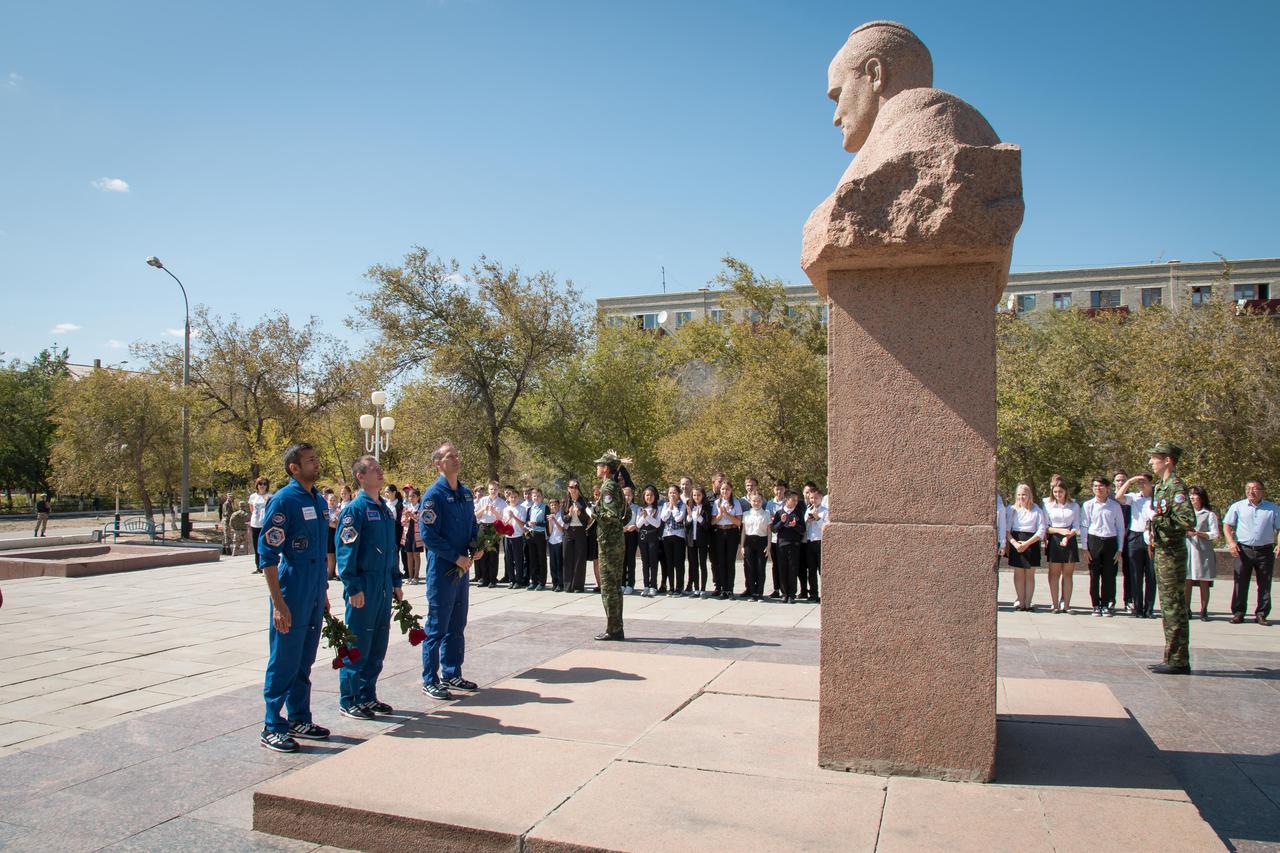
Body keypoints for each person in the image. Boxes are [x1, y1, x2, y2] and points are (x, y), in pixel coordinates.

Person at [257, 443, 331, 753]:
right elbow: (268, 554)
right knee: (284, 659)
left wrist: (323, 593)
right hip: (291, 591)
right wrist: (278, 603)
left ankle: (299, 717)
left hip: (313, 592)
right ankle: (272, 724)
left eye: (316, 458)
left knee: (304, 659)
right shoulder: (284, 501)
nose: (316, 464)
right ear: (294, 468)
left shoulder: (317, 500)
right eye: (310, 461)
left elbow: (317, 550)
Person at [335, 454, 403, 720]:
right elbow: (345, 551)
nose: (380, 472)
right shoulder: (355, 510)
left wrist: (396, 581)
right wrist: (352, 586)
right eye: (373, 469)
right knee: (358, 640)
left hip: (384, 583)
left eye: (380, 468)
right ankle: (349, 698)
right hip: (364, 582)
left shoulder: (384, 509)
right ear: (360, 477)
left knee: (378, 642)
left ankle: (367, 695)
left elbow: (391, 549)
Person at [419, 441, 482, 700]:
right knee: (437, 625)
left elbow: (472, 524)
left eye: (457, 454)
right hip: (444, 567)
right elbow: (428, 535)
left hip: (462, 567)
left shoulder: (465, 493)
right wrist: (455, 556)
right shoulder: (433, 495)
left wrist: (477, 546)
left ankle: (452, 671)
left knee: (458, 622)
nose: (456, 458)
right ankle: (430, 679)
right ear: (438, 464)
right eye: (449, 456)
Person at [1145, 442, 1197, 674]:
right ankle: (1172, 656)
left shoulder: (1175, 487)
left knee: (1174, 606)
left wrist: (1156, 518)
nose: (1151, 461)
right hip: (1162, 550)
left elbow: (1188, 521)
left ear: (1168, 460)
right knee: (1167, 606)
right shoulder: (1161, 487)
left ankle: (1178, 660)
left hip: (1172, 553)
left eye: (1155, 457)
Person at [1222, 479, 1279, 626]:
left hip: (1265, 550)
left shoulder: (1272, 508)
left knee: (1264, 584)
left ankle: (1261, 614)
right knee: (1240, 582)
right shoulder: (1238, 506)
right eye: (1248, 488)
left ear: (1262, 491)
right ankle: (1238, 613)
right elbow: (1227, 525)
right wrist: (1231, 542)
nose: (1251, 491)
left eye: (1255, 488)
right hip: (1243, 550)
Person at [592, 452, 628, 640]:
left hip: (609, 544)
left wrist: (595, 513)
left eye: (600, 465)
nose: (597, 467)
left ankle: (613, 629)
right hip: (615, 541)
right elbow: (626, 514)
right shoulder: (616, 487)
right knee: (614, 586)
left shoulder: (608, 488)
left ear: (606, 468)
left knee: (608, 587)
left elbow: (613, 515)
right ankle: (616, 627)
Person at [1080, 477, 1125, 618]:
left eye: (1100, 486)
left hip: (1110, 541)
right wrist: (1085, 548)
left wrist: (1120, 549)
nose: (1097, 489)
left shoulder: (1115, 506)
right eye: (1095, 486)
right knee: (1094, 575)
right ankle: (1095, 605)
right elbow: (1084, 526)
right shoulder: (1088, 505)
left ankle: (1106, 604)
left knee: (1109, 575)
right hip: (1094, 541)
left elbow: (1120, 528)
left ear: (1107, 488)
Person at [1116, 474, 1157, 618]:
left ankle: (1149, 608)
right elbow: (1118, 497)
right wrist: (1129, 481)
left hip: (1152, 537)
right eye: (1139, 482)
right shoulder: (1134, 497)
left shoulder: (1157, 497)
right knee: (1135, 574)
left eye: (1144, 482)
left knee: (1151, 575)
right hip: (1136, 536)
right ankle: (1137, 607)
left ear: (1151, 483)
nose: (1141, 485)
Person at [1006, 483, 1046, 611]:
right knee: (1018, 573)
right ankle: (1020, 601)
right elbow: (1007, 530)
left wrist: (1027, 543)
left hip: (1031, 542)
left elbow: (1041, 530)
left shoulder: (1037, 510)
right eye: (1018, 495)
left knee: (1029, 574)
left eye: (1024, 494)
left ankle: (1028, 602)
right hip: (1016, 541)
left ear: (1029, 495)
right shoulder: (1012, 510)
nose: (1021, 497)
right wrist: (1015, 543)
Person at [1043, 482, 1081, 614]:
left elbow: (1077, 525)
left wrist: (1070, 533)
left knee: (1068, 574)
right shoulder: (1048, 506)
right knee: (1054, 574)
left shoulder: (1074, 506)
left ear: (1065, 492)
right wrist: (1060, 531)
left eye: (1060, 492)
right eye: (1055, 492)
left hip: (1069, 539)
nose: (1058, 494)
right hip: (1055, 539)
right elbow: (1046, 527)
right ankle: (1054, 604)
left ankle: (1066, 605)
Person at [1185, 486, 1219, 623]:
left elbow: (1215, 534)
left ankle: (1204, 609)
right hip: (1187, 549)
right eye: (1190, 495)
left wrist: (1199, 534)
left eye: (1195, 495)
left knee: (1204, 580)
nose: (1192, 497)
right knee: (1186, 580)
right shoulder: (1185, 514)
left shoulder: (1209, 514)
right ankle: (1186, 609)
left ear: (1201, 497)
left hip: (1203, 551)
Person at [772, 490, 806, 603]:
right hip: (782, 544)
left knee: (793, 568)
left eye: (797, 500)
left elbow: (803, 529)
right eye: (793, 500)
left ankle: (792, 594)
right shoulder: (779, 512)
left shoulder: (798, 512)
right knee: (782, 568)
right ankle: (784, 593)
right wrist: (781, 522)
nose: (796, 502)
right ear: (786, 499)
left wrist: (795, 526)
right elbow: (774, 529)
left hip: (794, 544)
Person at [712, 482, 744, 599]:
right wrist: (720, 515)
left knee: (730, 562)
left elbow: (739, 522)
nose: (725, 491)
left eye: (727, 489)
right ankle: (723, 589)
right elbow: (713, 521)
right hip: (720, 532)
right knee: (721, 561)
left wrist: (726, 514)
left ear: (731, 490)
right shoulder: (716, 503)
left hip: (732, 532)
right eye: (722, 489)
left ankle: (730, 589)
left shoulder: (735, 503)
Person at [473, 481, 505, 587]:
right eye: (491, 489)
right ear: (488, 490)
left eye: (495, 489)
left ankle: (492, 579)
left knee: (493, 554)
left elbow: (503, 519)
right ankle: (484, 579)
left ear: (498, 490)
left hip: (494, 527)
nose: (493, 491)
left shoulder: (501, 502)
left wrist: (494, 511)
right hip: (483, 526)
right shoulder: (483, 500)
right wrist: (483, 509)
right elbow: (476, 516)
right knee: (483, 553)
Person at [560, 480, 590, 593]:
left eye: (576, 487)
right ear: (568, 488)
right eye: (571, 487)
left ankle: (578, 586)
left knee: (579, 560)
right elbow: (564, 519)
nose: (574, 489)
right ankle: (568, 586)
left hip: (580, 531)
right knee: (567, 558)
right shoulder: (565, 501)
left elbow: (587, 519)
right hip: (568, 532)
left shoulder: (584, 501)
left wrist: (579, 514)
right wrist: (569, 514)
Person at [741, 492, 771, 601]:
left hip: (761, 541)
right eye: (754, 501)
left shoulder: (766, 514)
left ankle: (760, 593)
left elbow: (769, 531)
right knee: (750, 568)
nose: (756, 503)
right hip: (749, 541)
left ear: (762, 501)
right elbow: (744, 531)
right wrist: (742, 546)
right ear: (750, 501)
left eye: (758, 501)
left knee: (760, 567)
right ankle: (753, 593)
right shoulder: (746, 514)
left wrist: (768, 546)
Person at [658, 485, 687, 596]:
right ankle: (671, 586)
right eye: (670, 493)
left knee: (678, 562)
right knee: (669, 562)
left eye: (674, 492)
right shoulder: (665, 505)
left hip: (678, 535)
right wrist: (670, 506)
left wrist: (674, 507)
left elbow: (679, 518)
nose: (672, 495)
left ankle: (679, 587)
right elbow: (663, 518)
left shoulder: (682, 505)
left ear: (679, 494)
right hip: (667, 535)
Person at [686, 485, 712, 597]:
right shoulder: (690, 507)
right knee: (693, 565)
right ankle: (696, 588)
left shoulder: (706, 508)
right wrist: (690, 517)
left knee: (702, 564)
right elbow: (686, 526)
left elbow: (707, 525)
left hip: (702, 540)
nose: (696, 497)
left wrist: (699, 517)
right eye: (694, 495)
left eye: (699, 495)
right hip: (692, 540)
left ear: (703, 496)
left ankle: (703, 588)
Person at [636, 485, 662, 597]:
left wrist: (647, 517)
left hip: (653, 537)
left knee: (653, 562)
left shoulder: (658, 509)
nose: (649, 497)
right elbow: (638, 524)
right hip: (642, 537)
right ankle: (646, 585)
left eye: (651, 495)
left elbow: (657, 524)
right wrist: (645, 517)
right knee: (644, 562)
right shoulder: (640, 509)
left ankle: (653, 585)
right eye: (647, 495)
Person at [1112, 470, 1133, 611]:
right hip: (1112, 538)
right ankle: (1110, 600)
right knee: (1110, 571)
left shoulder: (1132, 498)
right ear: (1114, 481)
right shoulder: (1109, 498)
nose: (1120, 482)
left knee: (1129, 571)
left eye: (1123, 480)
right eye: (1118, 480)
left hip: (1129, 537)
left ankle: (1129, 600)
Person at [802, 482, 826, 603]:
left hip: (820, 542)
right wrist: (807, 520)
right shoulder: (808, 510)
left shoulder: (825, 511)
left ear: (820, 498)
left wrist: (817, 518)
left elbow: (825, 527)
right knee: (811, 570)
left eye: (816, 498)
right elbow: (804, 528)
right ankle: (813, 594)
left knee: (822, 570)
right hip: (810, 542)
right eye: (811, 498)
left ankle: (826, 594)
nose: (813, 500)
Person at [501, 485, 528, 589]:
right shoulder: (506, 509)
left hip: (518, 536)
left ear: (518, 498)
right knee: (509, 559)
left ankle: (518, 580)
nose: (513, 499)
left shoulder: (522, 509)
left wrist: (513, 516)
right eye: (511, 497)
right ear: (508, 498)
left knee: (518, 559)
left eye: (515, 497)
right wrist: (507, 521)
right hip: (508, 537)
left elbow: (522, 524)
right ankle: (511, 580)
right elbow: (504, 523)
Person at [766, 480, 788, 598]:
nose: (779, 491)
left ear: (785, 490)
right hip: (774, 538)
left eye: (781, 489)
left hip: (785, 536)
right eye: (776, 489)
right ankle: (776, 588)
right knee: (775, 564)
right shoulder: (770, 503)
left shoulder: (787, 502)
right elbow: (769, 518)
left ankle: (785, 589)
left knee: (784, 564)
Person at [525, 488, 549, 591]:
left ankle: (541, 582)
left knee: (541, 559)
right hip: (531, 534)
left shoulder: (545, 507)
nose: (536, 498)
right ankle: (533, 581)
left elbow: (547, 523)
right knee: (532, 559)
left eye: (538, 496)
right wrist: (528, 523)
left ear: (542, 496)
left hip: (540, 535)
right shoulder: (530, 508)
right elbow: (526, 521)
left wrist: (537, 523)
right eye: (534, 496)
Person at [399, 485, 424, 585]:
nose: (411, 498)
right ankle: (410, 576)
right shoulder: (406, 508)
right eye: (409, 496)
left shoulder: (420, 507)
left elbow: (422, 520)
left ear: (418, 497)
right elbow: (402, 522)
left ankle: (416, 576)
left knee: (416, 555)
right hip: (407, 534)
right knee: (409, 554)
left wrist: (412, 516)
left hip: (417, 534)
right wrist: (406, 517)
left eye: (413, 496)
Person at [248, 477, 272, 575]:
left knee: (265, 546)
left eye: (264, 484)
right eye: (260, 484)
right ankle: (258, 567)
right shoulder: (253, 496)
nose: (262, 486)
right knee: (256, 545)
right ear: (257, 485)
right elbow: (251, 509)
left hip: (266, 524)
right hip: (255, 524)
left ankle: (266, 566)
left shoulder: (270, 496)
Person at [622, 485, 640, 594]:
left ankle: (630, 584)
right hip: (622, 534)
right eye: (625, 495)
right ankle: (622, 583)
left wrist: (635, 526)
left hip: (632, 534)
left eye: (629, 495)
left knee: (630, 560)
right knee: (622, 560)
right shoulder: (619, 507)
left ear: (632, 496)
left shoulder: (636, 508)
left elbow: (638, 521)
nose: (627, 497)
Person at [547, 497, 566, 592]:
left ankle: (560, 583)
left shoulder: (560, 515)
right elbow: (550, 532)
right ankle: (554, 582)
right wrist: (550, 522)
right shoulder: (551, 515)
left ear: (559, 505)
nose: (553, 507)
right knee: (552, 564)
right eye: (551, 505)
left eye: (555, 505)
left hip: (559, 541)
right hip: (552, 541)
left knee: (559, 563)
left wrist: (554, 520)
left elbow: (562, 529)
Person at [587, 483, 602, 591]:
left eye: (599, 494)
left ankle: (605, 584)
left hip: (603, 534)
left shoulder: (606, 505)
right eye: (596, 494)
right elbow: (588, 522)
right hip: (593, 534)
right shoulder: (590, 505)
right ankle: (599, 584)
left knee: (603, 561)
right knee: (596, 560)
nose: (597, 496)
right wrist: (591, 513)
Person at [324, 488, 340, 580]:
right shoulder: (326, 510)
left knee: (333, 553)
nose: (332, 502)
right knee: (329, 553)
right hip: (327, 533)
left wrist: (332, 523)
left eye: (334, 500)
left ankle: (331, 572)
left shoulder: (338, 510)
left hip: (335, 533)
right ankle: (330, 571)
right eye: (331, 500)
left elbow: (336, 524)